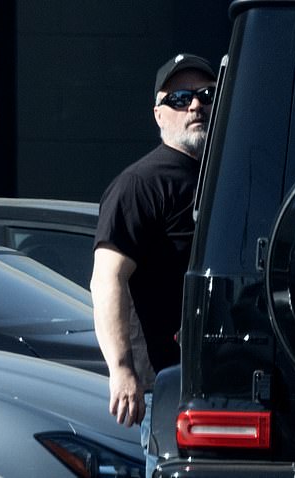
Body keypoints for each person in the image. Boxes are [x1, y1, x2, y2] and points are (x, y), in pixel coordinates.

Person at [90, 53, 216, 477]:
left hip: (222, 380)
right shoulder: (140, 185)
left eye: (206, 95)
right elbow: (107, 278)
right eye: (180, 98)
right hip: (166, 385)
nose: (195, 106)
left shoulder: (226, 178)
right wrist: (121, 369)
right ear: (159, 114)